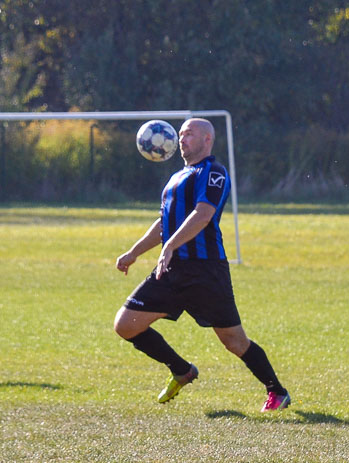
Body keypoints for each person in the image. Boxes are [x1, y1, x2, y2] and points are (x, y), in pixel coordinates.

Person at [114, 118, 290, 412]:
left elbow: (203, 214)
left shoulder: (214, 173)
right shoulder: (175, 178)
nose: (181, 139)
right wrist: (134, 252)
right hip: (171, 270)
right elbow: (164, 224)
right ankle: (181, 369)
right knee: (126, 325)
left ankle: (277, 391)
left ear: (207, 139)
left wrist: (170, 245)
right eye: (180, 134)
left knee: (234, 341)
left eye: (189, 134)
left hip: (206, 271)